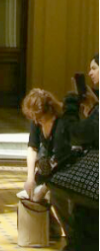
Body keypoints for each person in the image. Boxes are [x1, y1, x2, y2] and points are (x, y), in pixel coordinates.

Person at [53, 54, 99, 251]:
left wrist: (71, 108)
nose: (90, 72)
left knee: (84, 235)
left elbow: (78, 135)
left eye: (95, 67)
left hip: (93, 188)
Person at [21, 89, 70, 241]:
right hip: (46, 168)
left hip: (63, 170)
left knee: (54, 195)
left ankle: (72, 235)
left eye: (38, 118)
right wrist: (30, 178)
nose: (35, 122)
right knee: (28, 196)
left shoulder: (62, 123)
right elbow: (32, 146)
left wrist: (44, 188)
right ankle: (51, 230)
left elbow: (62, 159)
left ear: (47, 111)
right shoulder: (37, 121)